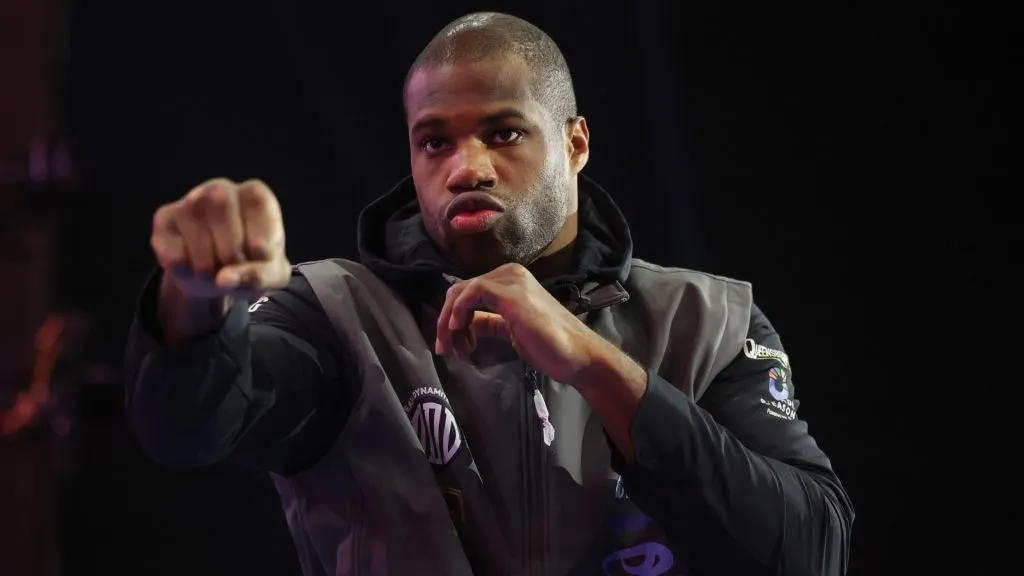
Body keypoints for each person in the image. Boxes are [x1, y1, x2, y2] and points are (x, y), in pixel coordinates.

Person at [125, 11, 854, 576]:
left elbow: (811, 551)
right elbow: (186, 432)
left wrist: (596, 365)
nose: (466, 167)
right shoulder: (335, 315)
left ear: (575, 143)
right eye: (434, 141)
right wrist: (194, 304)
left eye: (503, 133)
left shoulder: (708, 321)